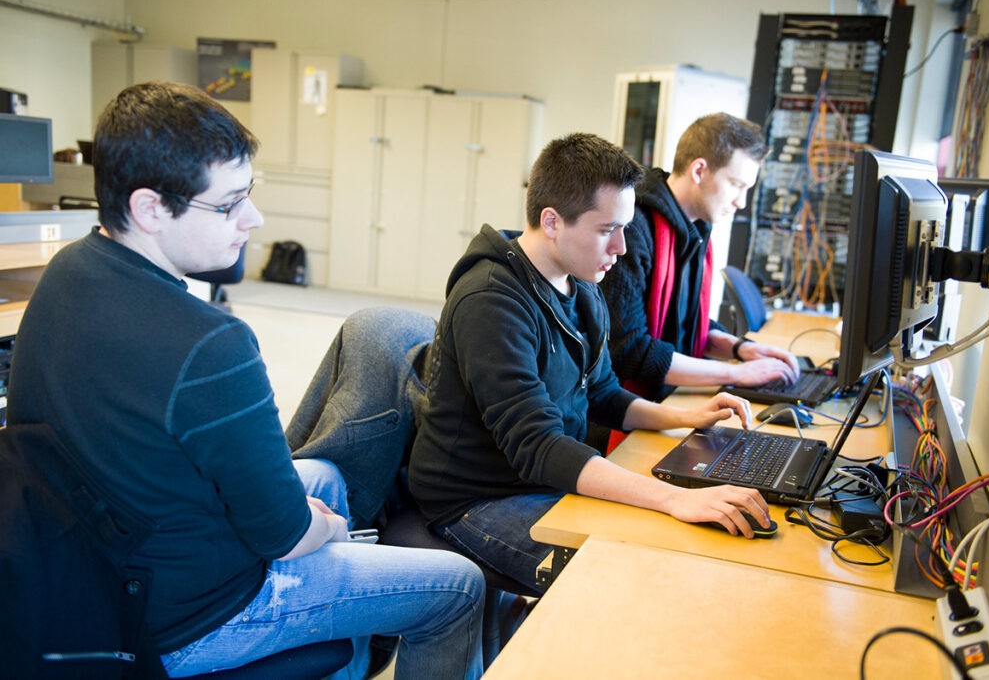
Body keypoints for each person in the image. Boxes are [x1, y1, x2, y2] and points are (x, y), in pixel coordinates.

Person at [7, 82, 484, 680]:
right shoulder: (211, 344)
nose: (253, 220)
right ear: (151, 208)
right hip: (187, 618)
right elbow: (283, 535)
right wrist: (329, 529)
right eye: (230, 203)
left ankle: (346, 657)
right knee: (459, 587)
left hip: (92, 560)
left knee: (328, 477)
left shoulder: (67, 271)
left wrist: (312, 518)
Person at [408, 133, 771, 595]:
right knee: (622, 579)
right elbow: (537, 446)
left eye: (623, 228)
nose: (621, 247)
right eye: (607, 230)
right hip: (475, 501)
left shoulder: (581, 286)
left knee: (669, 544)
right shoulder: (491, 300)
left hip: (539, 482)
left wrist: (685, 418)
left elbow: (601, 393)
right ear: (552, 221)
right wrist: (676, 498)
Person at [600, 112, 801, 406]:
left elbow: (683, 322)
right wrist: (736, 374)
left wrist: (739, 349)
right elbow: (629, 349)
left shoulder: (695, 229)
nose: (741, 203)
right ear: (699, 171)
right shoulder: (634, 227)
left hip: (668, 400)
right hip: (616, 413)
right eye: (736, 184)